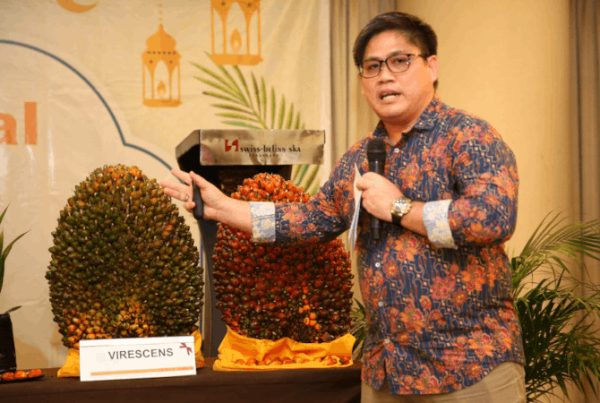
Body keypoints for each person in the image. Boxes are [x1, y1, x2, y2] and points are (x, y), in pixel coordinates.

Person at [161, 11, 525, 403]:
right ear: (362, 82)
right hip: (387, 376)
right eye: (372, 67)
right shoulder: (359, 157)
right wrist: (222, 208)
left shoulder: (468, 136)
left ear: (431, 66)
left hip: (469, 369)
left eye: (400, 61)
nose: (385, 76)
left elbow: (493, 218)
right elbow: (311, 219)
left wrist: (399, 207)